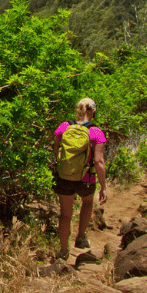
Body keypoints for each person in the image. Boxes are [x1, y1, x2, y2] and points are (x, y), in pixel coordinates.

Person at [52, 97, 107, 260]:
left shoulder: (64, 127)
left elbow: (56, 151)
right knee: (88, 202)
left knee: (65, 214)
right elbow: (98, 161)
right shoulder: (96, 132)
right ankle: (81, 237)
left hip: (64, 177)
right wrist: (103, 186)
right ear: (93, 111)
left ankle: (63, 251)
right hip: (86, 179)